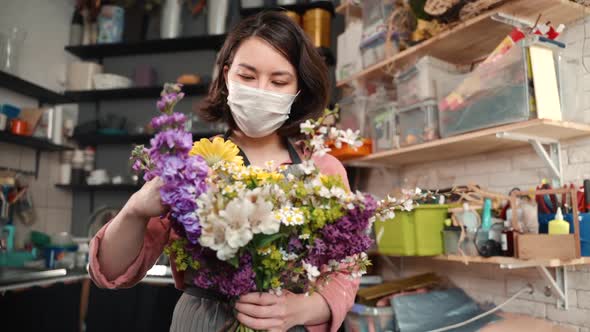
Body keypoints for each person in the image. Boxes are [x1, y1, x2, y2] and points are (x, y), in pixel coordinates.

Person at [89, 11, 359, 332]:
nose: (261, 90)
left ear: (299, 89)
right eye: (247, 76)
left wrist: (302, 308)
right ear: (227, 76)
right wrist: (135, 210)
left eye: (279, 81)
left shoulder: (323, 170)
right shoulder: (190, 165)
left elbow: (346, 269)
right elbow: (109, 270)